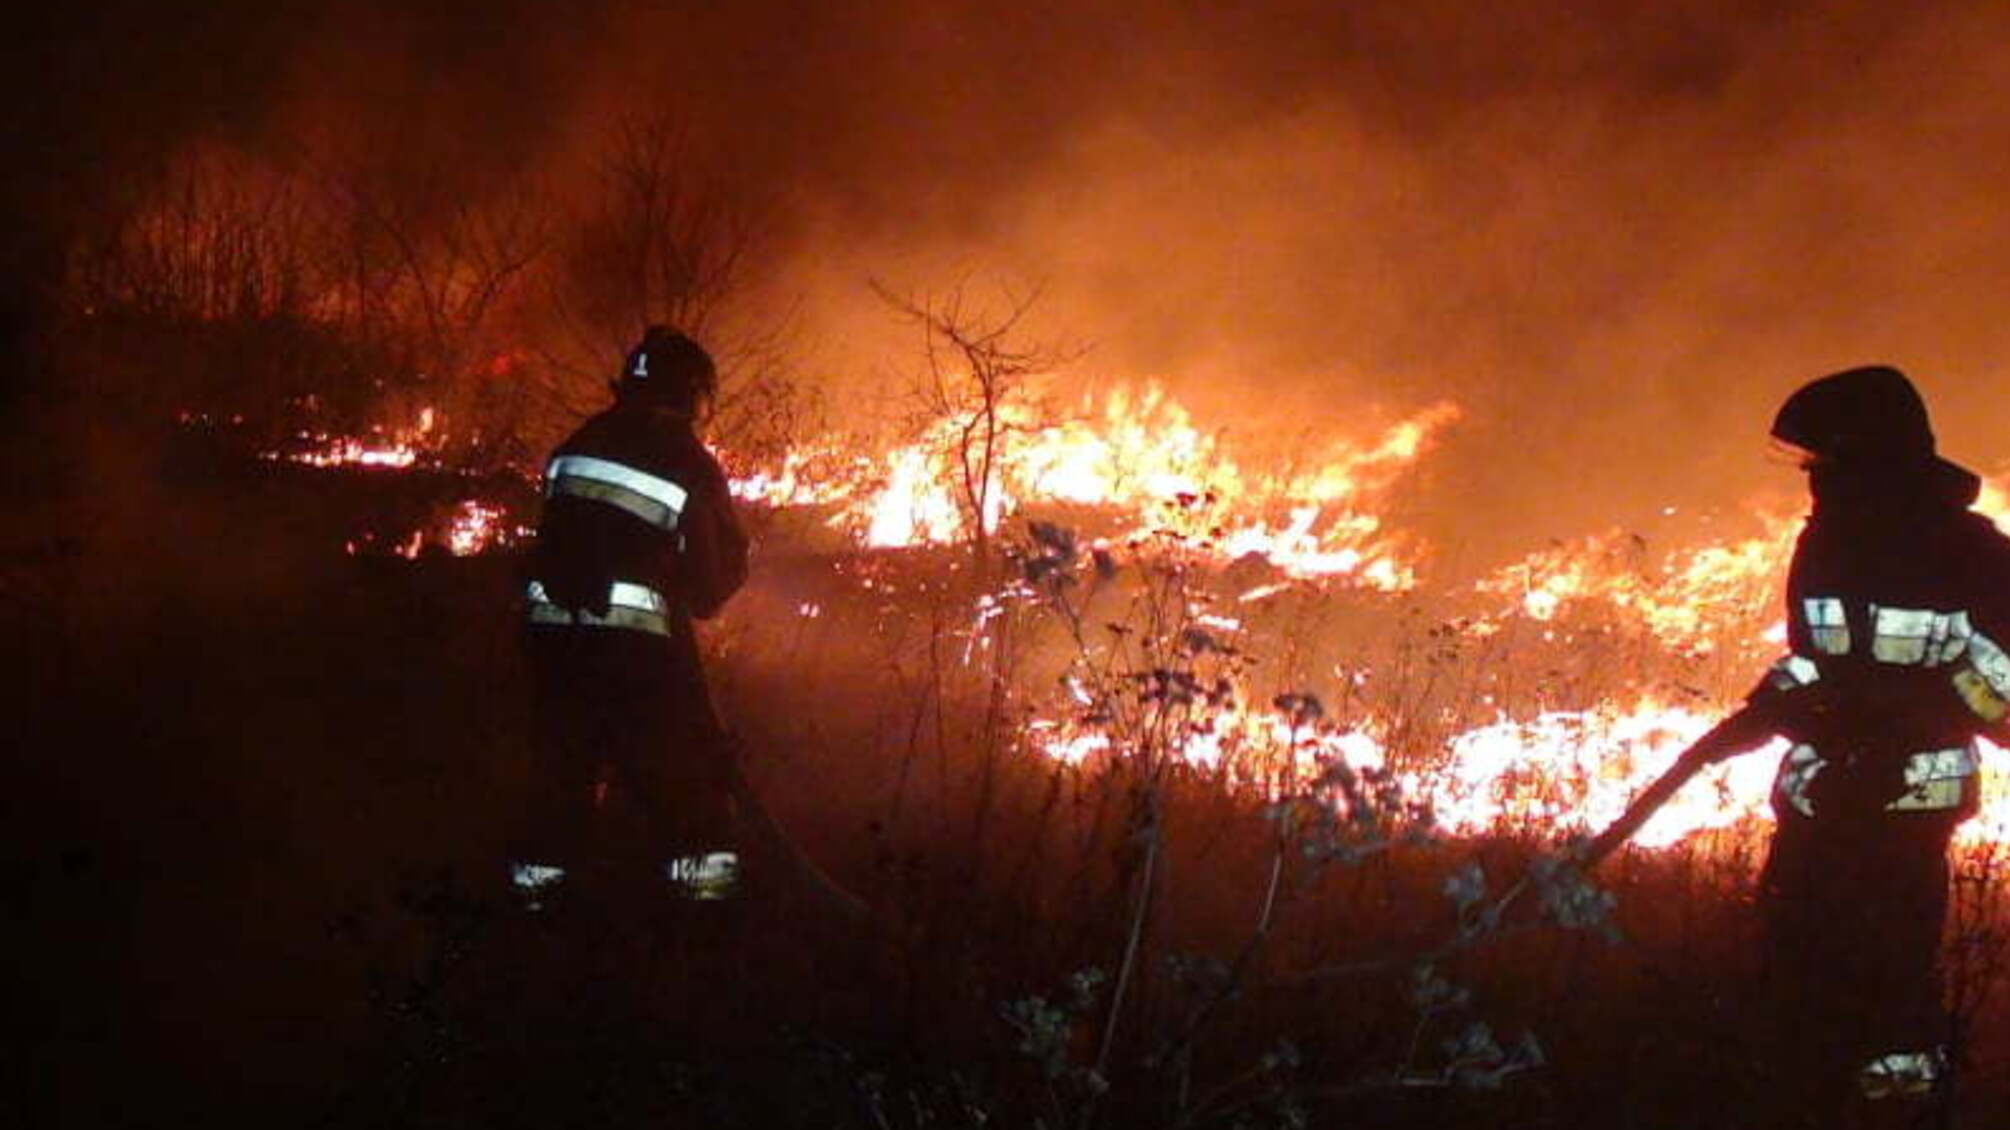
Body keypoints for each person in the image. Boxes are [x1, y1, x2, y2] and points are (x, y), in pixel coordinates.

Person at [1711, 365, 2010, 1120]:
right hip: (1816, 807)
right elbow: (1818, 656)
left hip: (1905, 813)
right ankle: (1799, 1101)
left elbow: (2002, 685)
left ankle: (1899, 1111)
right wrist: (1759, 711)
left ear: (1870, 455)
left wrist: (1908, 713)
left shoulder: (1969, 550)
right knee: (1795, 979)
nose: (1813, 477)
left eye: (1825, 460)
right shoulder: (1827, 542)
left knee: (1889, 990)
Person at [508, 326, 749, 908]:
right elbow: (709, 592)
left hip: (550, 648)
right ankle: (703, 926)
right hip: (636, 658)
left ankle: (532, 922)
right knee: (687, 792)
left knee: (560, 786)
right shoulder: (688, 462)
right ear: (692, 392)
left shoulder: (576, 444)